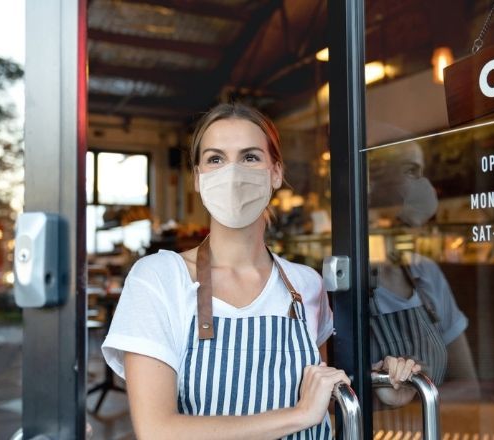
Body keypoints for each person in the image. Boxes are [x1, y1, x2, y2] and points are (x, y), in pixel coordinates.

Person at [101, 103, 418, 439]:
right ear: (197, 178)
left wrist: (384, 385)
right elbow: (158, 431)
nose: (233, 173)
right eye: (216, 159)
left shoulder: (306, 284)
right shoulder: (159, 279)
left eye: (250, 157)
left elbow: (322, 396)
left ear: (276, 173)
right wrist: (297, 416)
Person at [368, 140, 481, 400]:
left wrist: (418, 391)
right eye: (411, 171)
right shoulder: (342, 281)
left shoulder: (426, 272)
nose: (423, 185)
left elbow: (469, 386)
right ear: (373, 182)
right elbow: (330, 405)